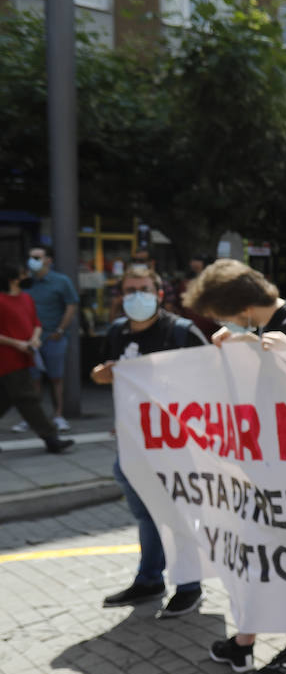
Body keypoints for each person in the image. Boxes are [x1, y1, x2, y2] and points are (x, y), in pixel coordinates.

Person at [183, 259, 286, 674]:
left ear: (244, 308)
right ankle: (245, 639)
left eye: (223, 315)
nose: (222, 323)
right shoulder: (257, 328)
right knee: (256, 553)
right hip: (267, 469)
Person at [93, 265, 209, 617]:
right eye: (130, 290)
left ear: (159, 294)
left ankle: (189, 586)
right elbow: (104, 373)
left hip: (177, 448)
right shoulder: (116, 331)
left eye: (144, 289)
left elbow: (211, 379)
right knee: (146, 515)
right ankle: (150, 579)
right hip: (132, 446)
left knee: (178, 514)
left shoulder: (181, 332)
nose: (136, 296)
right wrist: (100, 375)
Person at [0, 264, 73, 455]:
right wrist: (17, 343)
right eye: (24, 273)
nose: (28, 275)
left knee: (8, 398)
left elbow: (36, 323)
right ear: (13, 278)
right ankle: (51, 438)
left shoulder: (26, 298)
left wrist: (34, 338)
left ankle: (51, 439)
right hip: (7, 358)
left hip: (26, 355)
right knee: (27, 398)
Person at [12, 246, 78, 434]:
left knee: (56, 378)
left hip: (52, 337)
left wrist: (60, 329)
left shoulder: (61, 281)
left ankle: (58, 416)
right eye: (30, 257)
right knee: (33, 380)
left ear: (48, 260)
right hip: (29, 340)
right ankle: (33, 418)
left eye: (37, 257)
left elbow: (71, 305)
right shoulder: (25, 282)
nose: (32, 260)